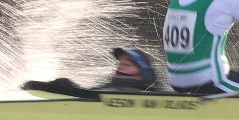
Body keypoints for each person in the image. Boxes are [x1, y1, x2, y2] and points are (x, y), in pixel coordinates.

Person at [21, 47, 167, 98]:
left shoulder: (151, 94)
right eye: (119, 63)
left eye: (127, 64)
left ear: (143, 75)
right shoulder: (108, 87)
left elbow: (89, 95)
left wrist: (61, 85)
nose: (119, 67)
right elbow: (88, 94)